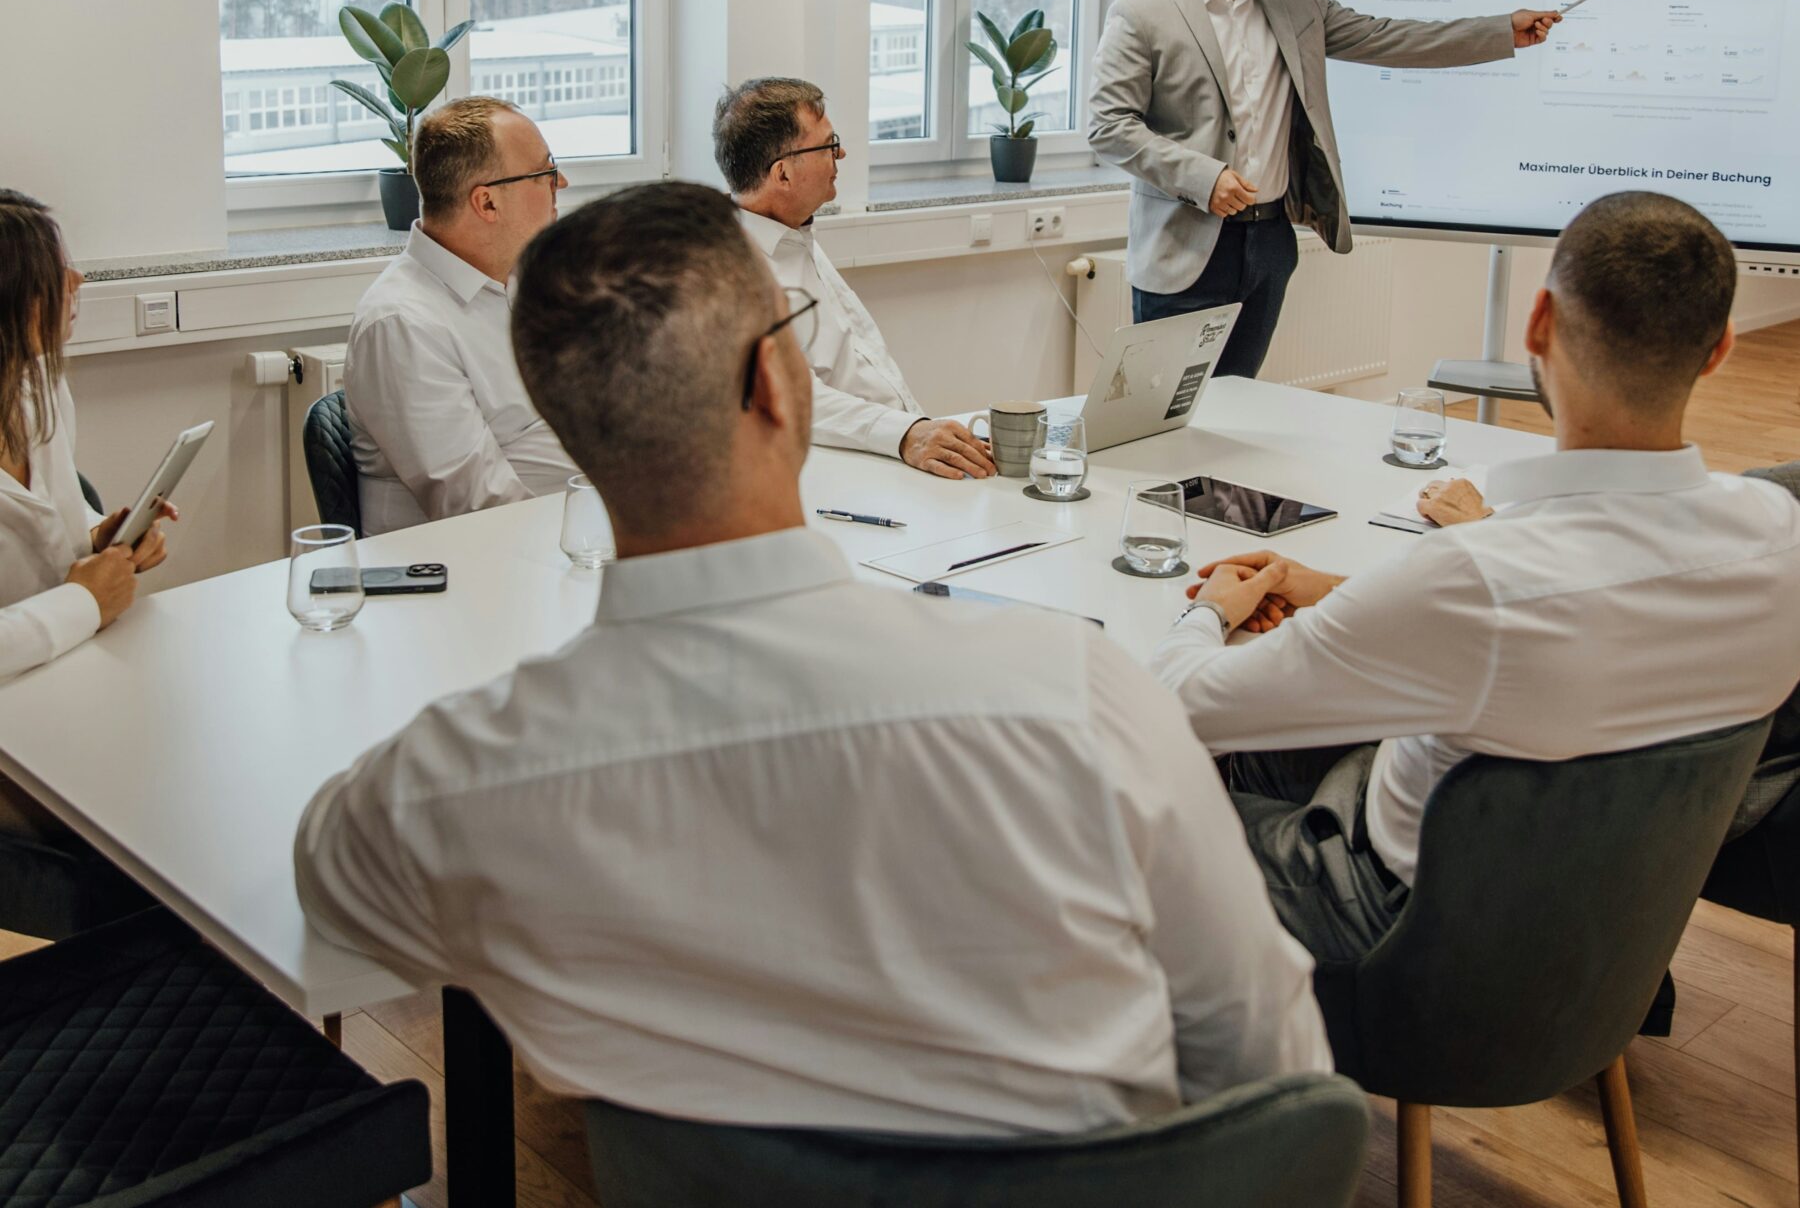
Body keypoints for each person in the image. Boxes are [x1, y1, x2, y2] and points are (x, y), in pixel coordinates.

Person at [295, 181, 1330, 1133]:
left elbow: (332, 878)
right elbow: (1271, 1067)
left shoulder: (462, 780)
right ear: (780, 386)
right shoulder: (1077, 694)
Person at [1152, 191, 1800, 964]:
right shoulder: (1777, 533)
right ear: (1721, 347)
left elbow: (1178, 706)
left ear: (1538, 327)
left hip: (1400, 938)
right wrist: (1334, 591)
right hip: (1604, 934)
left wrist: (1210, 616)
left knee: (1135, 795)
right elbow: (1580, 591)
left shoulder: (1471, 582)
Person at [1088, 0, 1562, 378]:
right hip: (1183, 250)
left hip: (1268, 243)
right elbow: (1109, 127)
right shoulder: (1142, 11)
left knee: (1239, 408)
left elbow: (1388, 38)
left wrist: (1501, 31)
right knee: (1164, 422)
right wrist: (1204, 176)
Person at [715, 77, 995, 480]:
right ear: (783, 175)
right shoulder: (730, 269)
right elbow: (788, 396)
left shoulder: (792, 231)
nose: (841, 153)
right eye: (829, 145)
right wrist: (906, 434)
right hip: (846, 473)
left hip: (897, 449)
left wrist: (916, 426)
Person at [345, 96, 574, 534]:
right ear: (487, 203)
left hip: (564, 546)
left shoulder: (523, 284)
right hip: (475, 571)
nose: (560, 182)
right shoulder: (402, 323)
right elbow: (476, 507)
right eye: (545, 172)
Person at [0, 190, 175, 684]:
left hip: (64, 668)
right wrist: (85, 601)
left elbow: (54, 521)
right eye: (54, 274)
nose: (77, 281)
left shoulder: (42, 383)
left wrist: (101, 537)